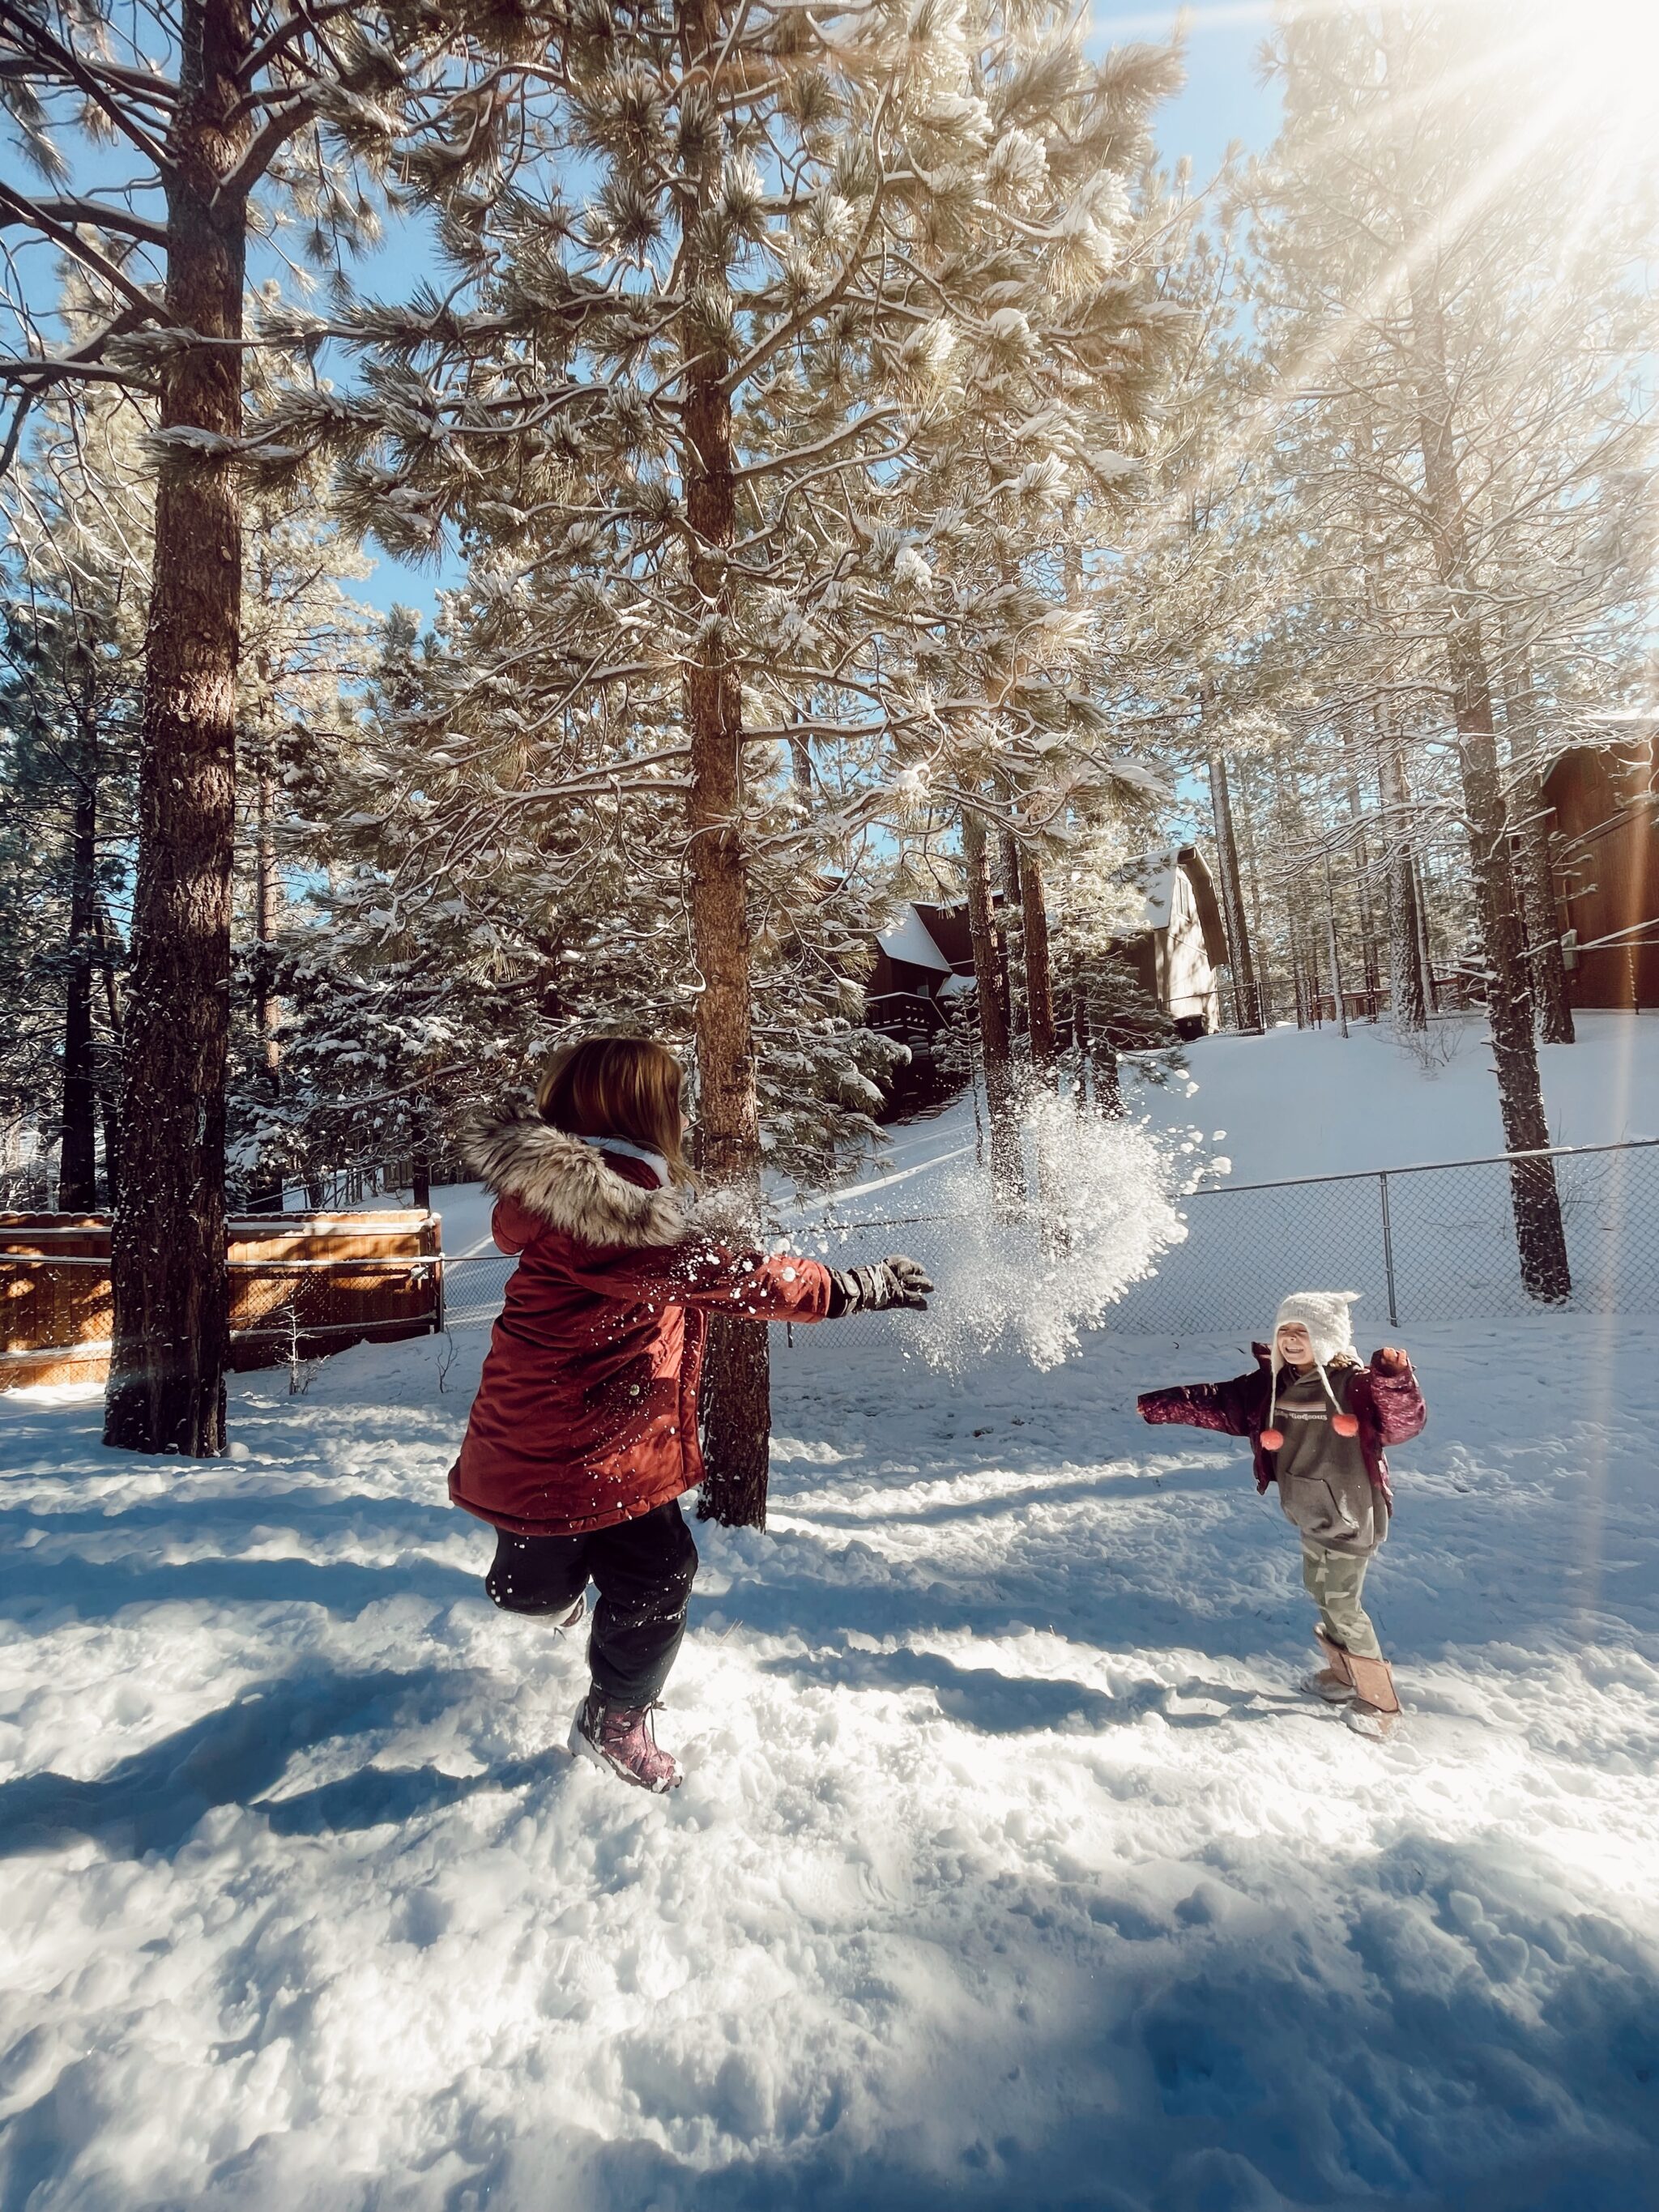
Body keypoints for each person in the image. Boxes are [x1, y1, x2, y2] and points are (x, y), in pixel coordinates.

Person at [449, 1035, 932, 1792]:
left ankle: (615, 1714)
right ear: (643, 1107)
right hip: (570, 1447)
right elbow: (725, 1276)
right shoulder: (606, 1210)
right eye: (671, 1097)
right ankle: (581, 1641)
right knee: (533, 1590)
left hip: (581, 1443)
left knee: (652, 1572)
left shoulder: (572, 1197)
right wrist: (847, 1287)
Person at [1135, 1291, 1427, 1729]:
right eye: (1285, 1331)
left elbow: (1404, 1420)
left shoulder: (1357, 1386)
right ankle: (1343, 1675)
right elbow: (1220, 1402)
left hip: (1351, 1512)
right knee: (1318, 1588)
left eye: (1302, 1332)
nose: (1291, 1340)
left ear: (1326, 1337)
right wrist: (1158, 1405)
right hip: (1308, 1508)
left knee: (1342, 1602)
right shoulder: (1273, 1384)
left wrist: (1394, 1378)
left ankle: (1379, 1700)